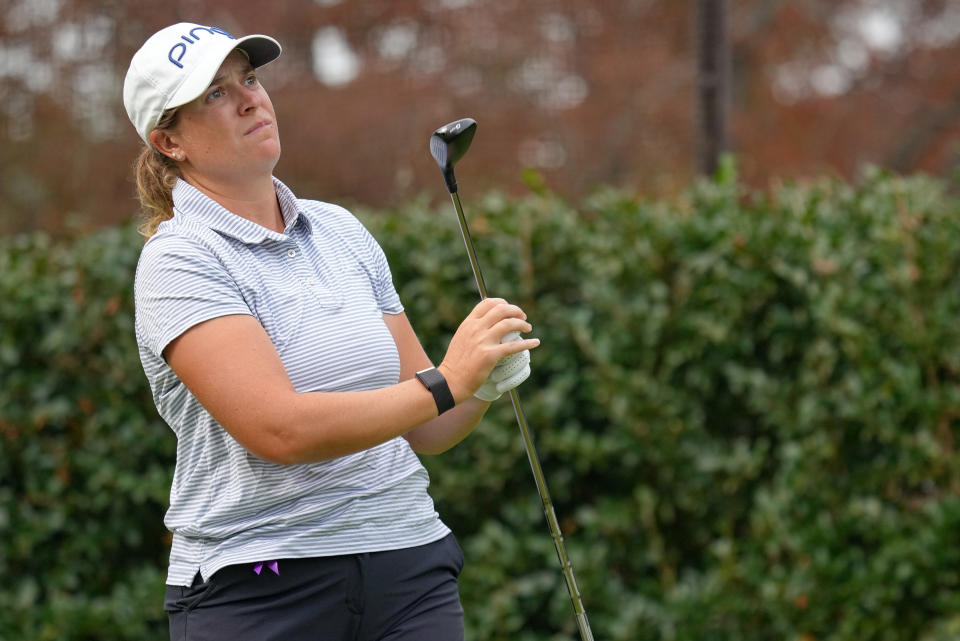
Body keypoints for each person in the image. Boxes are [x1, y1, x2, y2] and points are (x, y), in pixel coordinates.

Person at [123, 22, 539, 641]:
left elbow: (426, 423)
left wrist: (479, 384)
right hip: (261, 584)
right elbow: (279, 429)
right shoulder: (178, 259)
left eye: (250, 79)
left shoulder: (340, 230)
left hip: (407, 564)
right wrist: (448, 380)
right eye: (214, 94)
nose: (249, 99)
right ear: (169, 141)